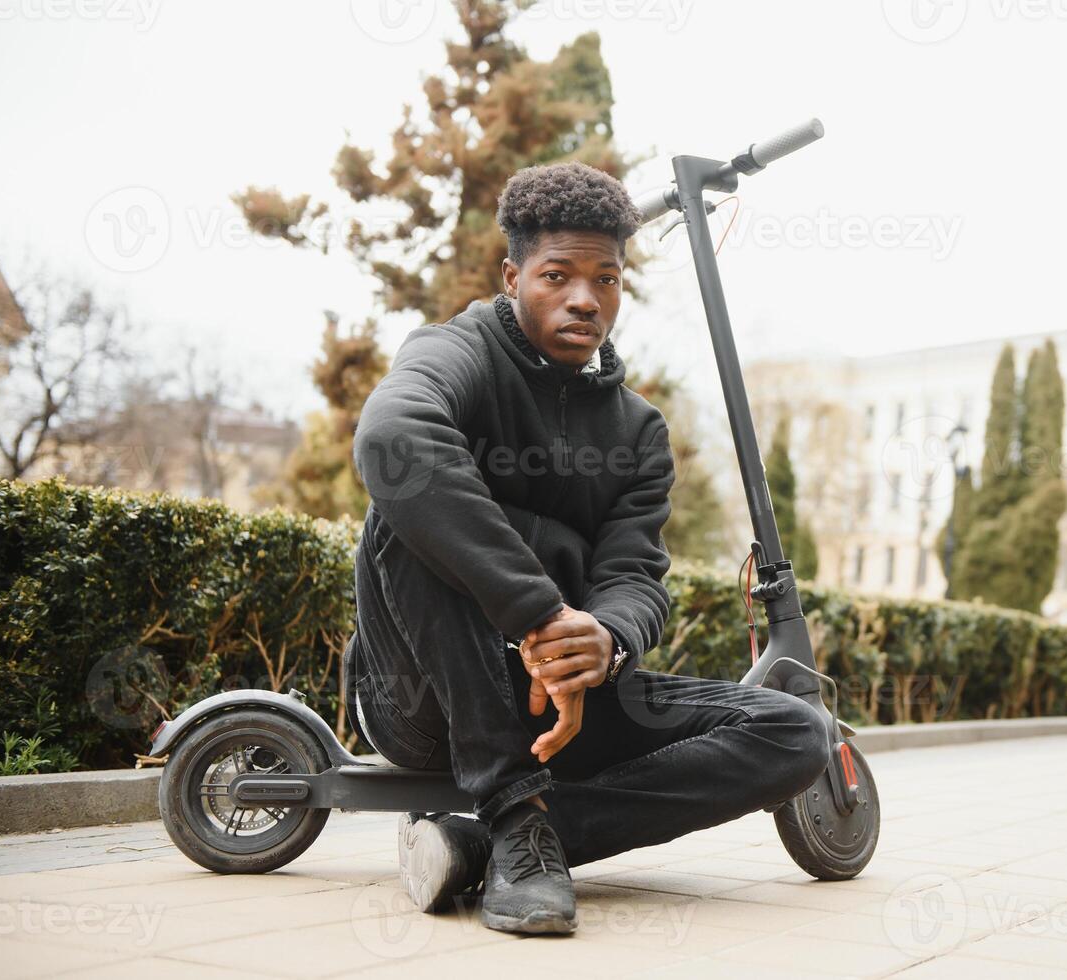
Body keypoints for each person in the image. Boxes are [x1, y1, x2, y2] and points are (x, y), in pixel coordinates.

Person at [346, 160, 831, 935]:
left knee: (796, 730)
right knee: (402, 512)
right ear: (513, 276)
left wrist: (600, 644)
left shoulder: (638, 431)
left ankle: (498, 840)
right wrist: (538, 618)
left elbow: (635, 576)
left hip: (564, 707)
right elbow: (392, 436)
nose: (584, 298)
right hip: (427, 697)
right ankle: (512, 805)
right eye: (557, 275)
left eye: (606, 279)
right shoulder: (456, 353)